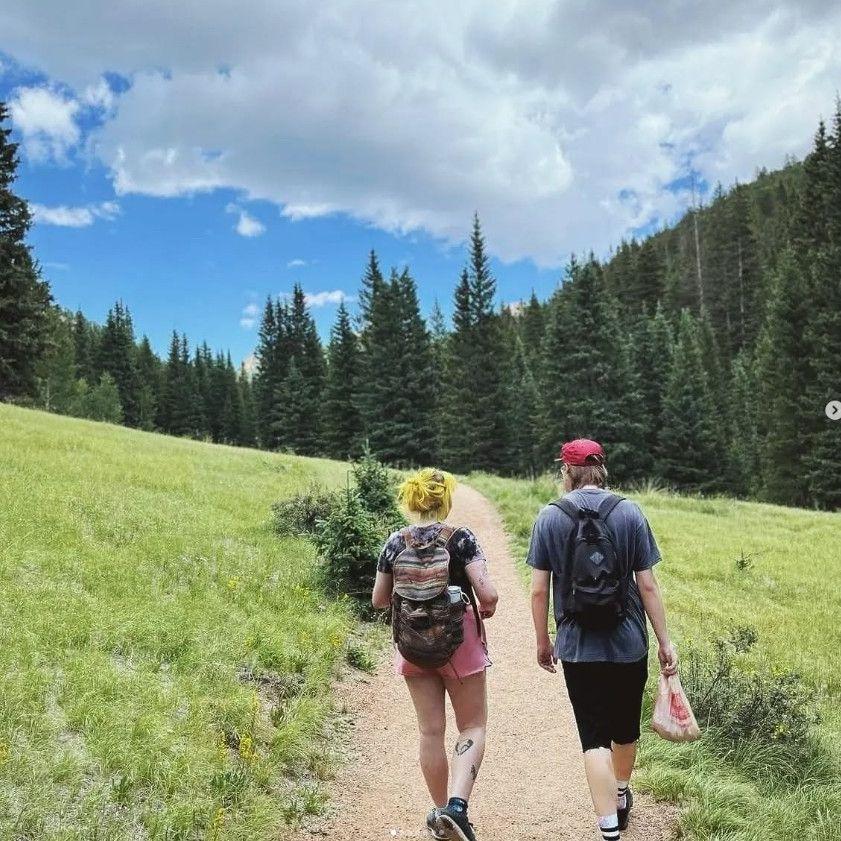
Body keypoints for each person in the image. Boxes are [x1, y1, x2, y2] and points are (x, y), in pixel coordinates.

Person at [527, 439, 678, 841]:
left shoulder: (550, 517)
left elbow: (539, 590)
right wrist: (665, 642)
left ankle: (609, 826)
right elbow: (647, 585)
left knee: (593, 735)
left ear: (568, 472)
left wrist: (544, 640)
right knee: (625, 727)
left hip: (577, 645)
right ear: (600, 469)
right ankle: (623, 793)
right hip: (629, 642)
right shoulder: (629, 511)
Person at [372, 468, 498, 841]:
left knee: (430, 730)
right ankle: (457, 808)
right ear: (446, 500)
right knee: (472, 725)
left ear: (411, 501)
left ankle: (442, 813)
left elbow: (379, 600)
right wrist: (484, 606)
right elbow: (487, 595)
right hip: (460, 644)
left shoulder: (395, 542)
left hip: (412, 645)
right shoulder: (461, 539)